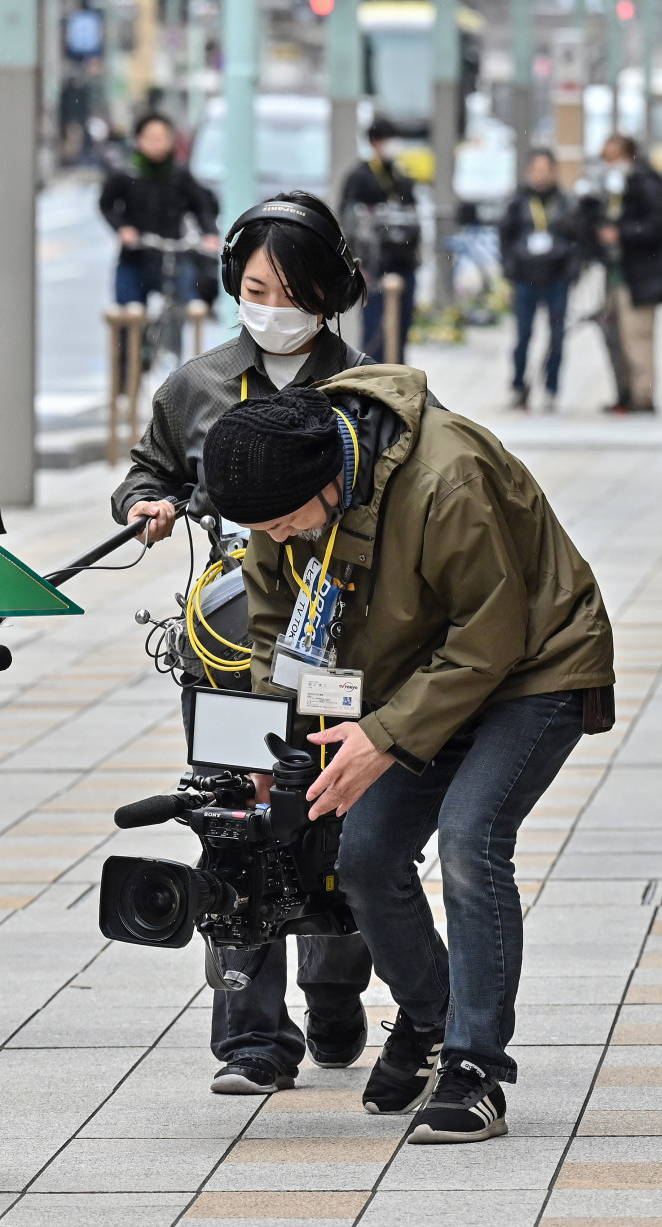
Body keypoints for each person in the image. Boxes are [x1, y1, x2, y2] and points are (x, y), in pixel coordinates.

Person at [200, 374, 615, 1143]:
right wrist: (258, 747)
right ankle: (429, 1020)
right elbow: (271, 634)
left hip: (533, 665)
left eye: (288, 523)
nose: (279, 538)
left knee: (469, 837)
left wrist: (383, 739)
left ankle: (474, 1066)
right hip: (415, 679)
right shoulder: (277, 501)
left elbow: (489, 638)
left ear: (330, 481)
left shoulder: (445, 478)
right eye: (266, 529)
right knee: (364, 859)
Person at [109, 191, 377, 1096]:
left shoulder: (370, 394)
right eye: (256, 285)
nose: (272, 304)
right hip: (228, 649)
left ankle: (338, 987)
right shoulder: (196, 387)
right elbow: (149, 470)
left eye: (294, 289)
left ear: (332, 294)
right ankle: (252, 1038)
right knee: (235, 820)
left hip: (343, 645)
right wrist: (145, 504)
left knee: (334, 816)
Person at [97, 112, 222, 331]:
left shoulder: (180, 174)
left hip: (173, 254)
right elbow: (106, 204)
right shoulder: (125, 174)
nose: (157, 144)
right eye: (151, 138)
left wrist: (209, 234)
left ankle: (180, 357)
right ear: (139, 140)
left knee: (190, 308)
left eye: (162, 137)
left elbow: (201, 206)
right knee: (127, 319)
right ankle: (130, 360)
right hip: (135, 255)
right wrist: (122, 229)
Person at [590, 134, 662, 414]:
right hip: (617, 275)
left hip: (641, 276)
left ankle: (643, 396)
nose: (610, 164)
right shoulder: (612, 188)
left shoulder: (646, 183)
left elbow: (657, 225)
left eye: (614, 157)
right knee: (617, 337)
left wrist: (622, 232)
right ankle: (625, 393)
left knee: (637, 338)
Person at [500, 149, 581, 411]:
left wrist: (571, 267)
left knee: (557, 336)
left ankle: (551, 388)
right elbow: (505, 236)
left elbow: (577, 238)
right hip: (526, 277)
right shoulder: (518, 202)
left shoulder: (566, 203)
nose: (541, 175)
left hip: (556, 276)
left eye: (546, 169)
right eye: (536, 170)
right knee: (523, 334)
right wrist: (510, 267)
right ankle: (518, 385)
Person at [340, 117, 422, 363]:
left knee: (401, 330)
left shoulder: (401, 177)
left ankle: (399, 382)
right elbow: (349, 222)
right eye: (389, 140)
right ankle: (373, 381)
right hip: (374, 268)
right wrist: (358, 265)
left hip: (403, 264)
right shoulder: (360, 177)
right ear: (375, 142)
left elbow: (415, 220)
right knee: (375, 331)